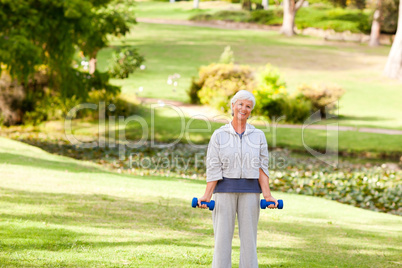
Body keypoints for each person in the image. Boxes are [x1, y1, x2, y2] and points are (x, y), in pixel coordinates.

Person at [198, 90, 278, 268]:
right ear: (233, 106)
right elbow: (213, 167)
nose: (244, 108)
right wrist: (207, 195)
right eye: (240, 104)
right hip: (224, 192)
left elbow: (262, 167)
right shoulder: (219, 135)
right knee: (222, 240)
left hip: (250, 193)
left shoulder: (258, 136)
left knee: (250, 242)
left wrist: (267, 196)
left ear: (251, 111)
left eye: (248, 106)